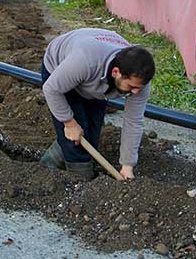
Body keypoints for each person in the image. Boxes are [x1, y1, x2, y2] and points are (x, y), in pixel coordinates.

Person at [39, 28, 155, 181]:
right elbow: (51, 89)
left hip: (94, 80)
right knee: (77, 144)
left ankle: (44, 167)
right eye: (131, 87)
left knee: (90, 139)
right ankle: (80, 181)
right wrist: (69, 123)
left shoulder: (139, 82)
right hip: (59, 70)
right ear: (116, 72)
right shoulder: (85, 61)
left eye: (138, 88)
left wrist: (127, 165)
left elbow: (133, 121)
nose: (135, 92)